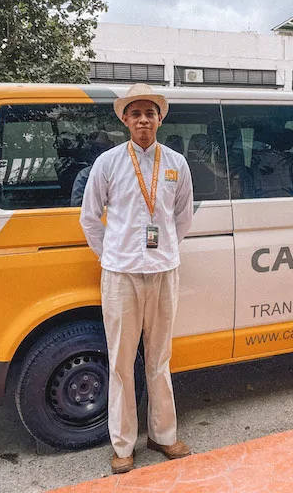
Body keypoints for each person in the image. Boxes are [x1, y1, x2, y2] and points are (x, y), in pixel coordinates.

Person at [79, 84, 194, 474]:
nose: (143, 119)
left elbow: (182, 217)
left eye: (150, 113)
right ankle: (123, 444)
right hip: (121, 275)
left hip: (163, 272)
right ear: (125, 120)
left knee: (160, 358)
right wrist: (111, 255)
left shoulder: (176, 162)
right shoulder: (108, 163)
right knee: (122, 362)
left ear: (160, 118)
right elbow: (90, 218)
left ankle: (162, 435)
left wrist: (163, 250)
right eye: (136, 113)